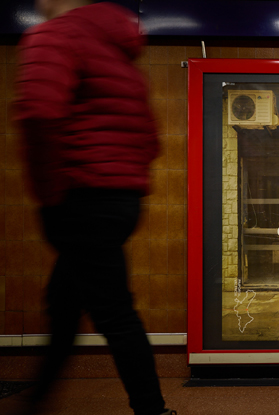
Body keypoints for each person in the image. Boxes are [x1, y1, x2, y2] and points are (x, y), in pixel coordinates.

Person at [13, 1, 173, 414]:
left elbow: (37, 112)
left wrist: (50, 194)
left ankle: (152, 410)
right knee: (64, 304)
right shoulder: (122, 57)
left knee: (114, 314)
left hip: (81, 199)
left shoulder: (53, 36)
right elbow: (151, 139)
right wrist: (126, 184)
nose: (38, 3)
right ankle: (35, 401)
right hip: (120, 201)